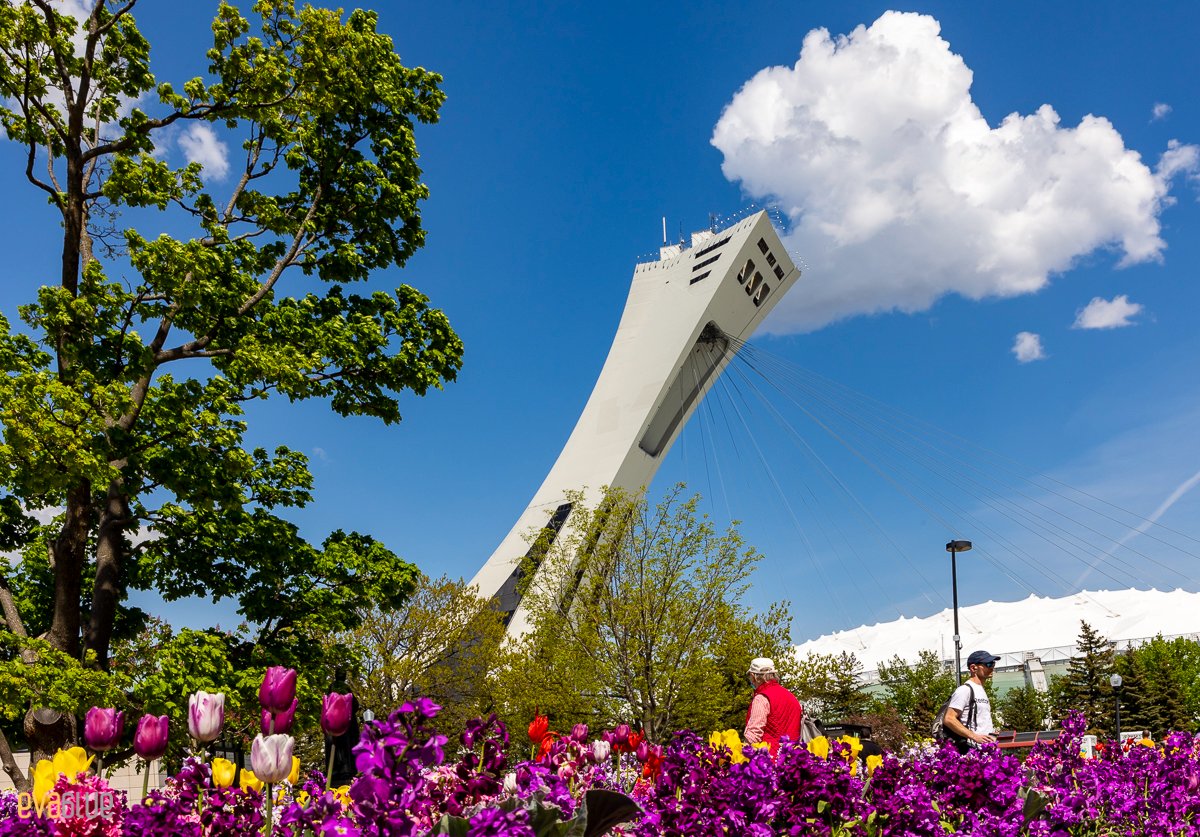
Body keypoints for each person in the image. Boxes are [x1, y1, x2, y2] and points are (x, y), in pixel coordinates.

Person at [744, 657, 802, 755]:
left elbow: (753, 735)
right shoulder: (791, 696)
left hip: (769, 759)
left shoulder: (762, 698)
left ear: (754, 676)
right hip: (792, 757)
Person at [943, 650, 999, 752]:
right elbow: (949, 719)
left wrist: (991, 732)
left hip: (986, 748)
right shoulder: (965, 690)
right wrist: (974, 736)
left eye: (993, 664)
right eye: (988, 664)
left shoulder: (981, 690)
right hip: (971, 749)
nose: (992, 667)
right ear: (973, 668)